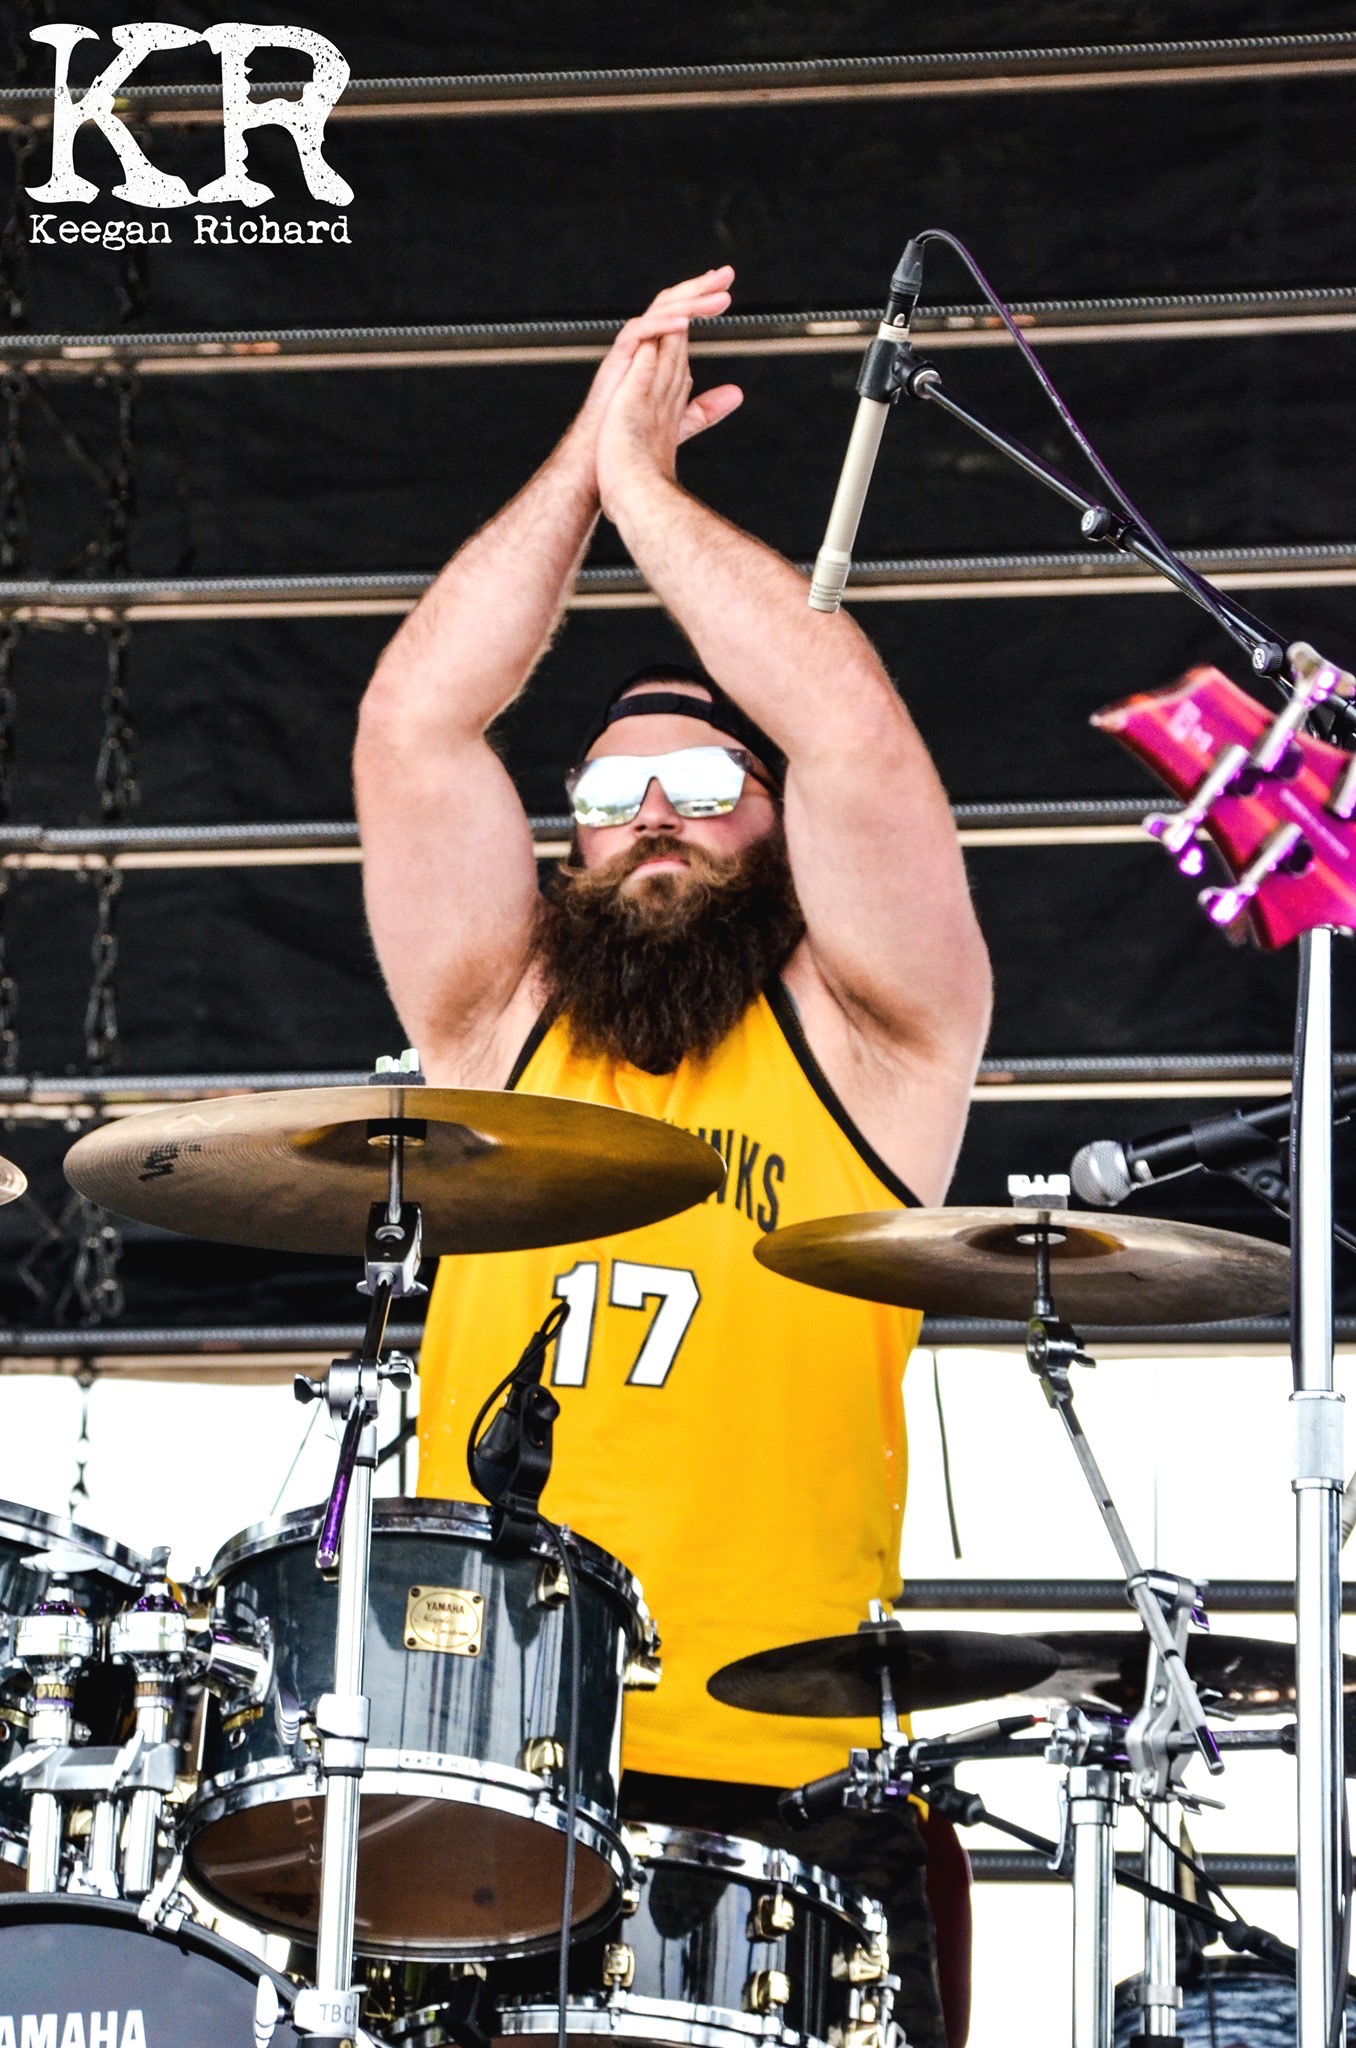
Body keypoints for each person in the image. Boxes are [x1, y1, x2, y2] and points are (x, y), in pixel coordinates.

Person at [354, 265, 992, 2048]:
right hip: (485, 1770)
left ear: (778, 827)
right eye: (611, 795)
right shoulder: (496, 1020)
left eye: (707, 792)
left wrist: (652, 499)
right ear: (561, 842)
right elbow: (414, 726)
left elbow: (852, 729)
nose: (653, 817)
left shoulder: (876, 1035)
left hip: (789, 1779)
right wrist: (586, 459)